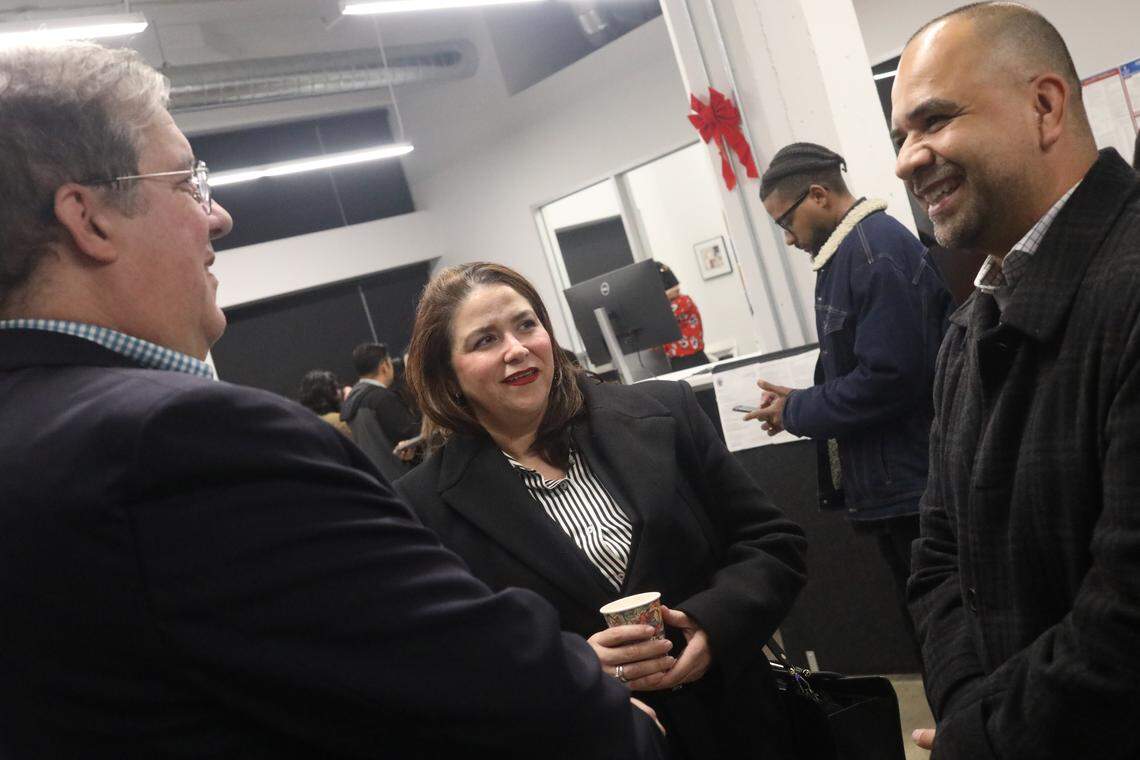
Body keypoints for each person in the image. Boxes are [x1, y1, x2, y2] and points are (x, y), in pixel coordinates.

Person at [0, 42, 668, 758]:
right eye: (189, 183)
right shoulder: (185, 441)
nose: (218, 216)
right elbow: (479, 685)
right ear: (90, 218)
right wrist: (620, 723)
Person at [395, 262, 808, 760]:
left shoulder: (663, 412)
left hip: (739, 723)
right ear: (449, 376)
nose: (517, 348)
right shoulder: (423, 506)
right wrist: (570, 676)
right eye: (484, 341)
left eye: (527, 324)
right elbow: (446, 665)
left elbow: (771, 540)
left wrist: (713, 625)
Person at [890, 4, 1140, 758]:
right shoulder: (971, 327)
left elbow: (1127, 616)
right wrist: (974, 708)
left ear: (1044, 106)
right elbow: (938, 556)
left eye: (933, 121)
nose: (907, 159)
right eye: (901, 135)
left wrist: (981, 736)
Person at [750, 142, 953, 650]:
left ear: (818, 195)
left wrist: (797, 409)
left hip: (915, 486)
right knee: (928, 636)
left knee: (946, 638)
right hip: (895, 485)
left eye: (786, 222)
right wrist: (800, 399)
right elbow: (866, 367)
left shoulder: (873, 252)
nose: (789, 238)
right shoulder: (848, 254)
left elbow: (888, 380)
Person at [342, 341, 421, 459]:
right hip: (399, 469)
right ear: (384, 367)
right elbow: (410, 434)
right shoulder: (381, 398)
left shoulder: (352, 399)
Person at [657, 261, 711, 371]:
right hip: (679, 361)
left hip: (692, 359)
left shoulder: (683, 302)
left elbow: (660, 319)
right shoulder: (672, 304)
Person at [298, 368, 352, 438]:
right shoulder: (339, 422)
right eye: (336, 388)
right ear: (332, 393)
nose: (340, 391)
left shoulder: (301, 426)